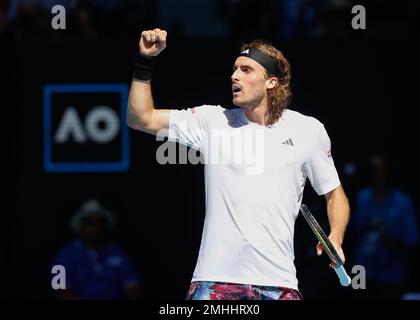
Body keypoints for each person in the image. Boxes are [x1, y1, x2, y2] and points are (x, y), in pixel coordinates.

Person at [127, 28, 350, 300]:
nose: (234, 76)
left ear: (271, 82)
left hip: (278, 283)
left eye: (246, 70)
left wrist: (335, 237)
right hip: (214, 280)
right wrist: (144, 60)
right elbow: (140, 118)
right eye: (234, 69)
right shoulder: (212, 121)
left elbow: (334, 194)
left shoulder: (308, 130)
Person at [350, 154, 418, 299]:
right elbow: (351, 229)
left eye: (378, 169)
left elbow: (411, 239)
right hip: (361, 268)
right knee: (358, 295)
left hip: (391, 273)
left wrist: (390, 239)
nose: (374, 174)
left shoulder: (403, 202)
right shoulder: (361, 197)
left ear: (388, 171)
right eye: (371, 169)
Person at [52, 199, 140, 300]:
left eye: (100, 222)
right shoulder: (65, 255)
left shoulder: (119, 253)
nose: (95, 226)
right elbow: (59, 289)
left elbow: (133, 288)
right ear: (81, 225)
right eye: (90, 222)